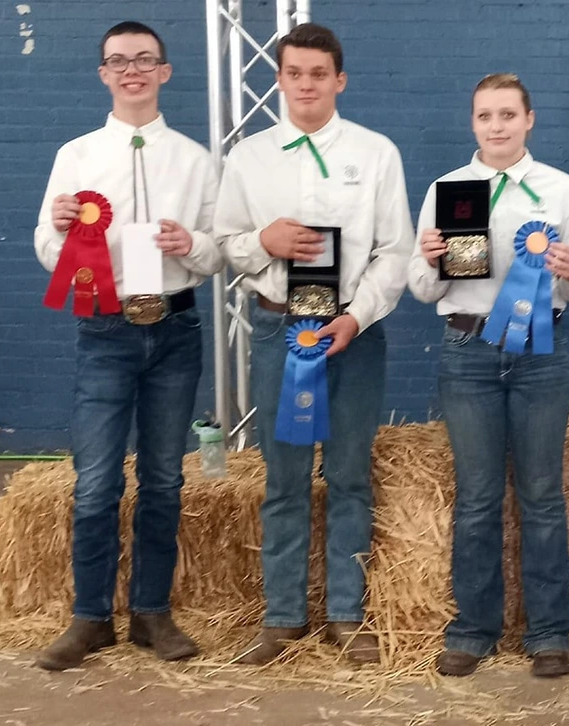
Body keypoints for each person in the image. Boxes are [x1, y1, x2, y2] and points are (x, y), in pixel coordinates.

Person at [213, 22, 413, 665]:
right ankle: (282, 618)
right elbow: (224, 245)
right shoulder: (248, 157)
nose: (306, 85)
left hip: (353, 334)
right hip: (279, 329)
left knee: (351, 476)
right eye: (294, 73)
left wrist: (356, 316)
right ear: (279, 80)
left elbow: (396, 251)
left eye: (318, 74)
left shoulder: (377, 152)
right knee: (285, 479)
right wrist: (260, 242)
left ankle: (347, 615)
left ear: (339, 81)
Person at [34, 21, 222, 670]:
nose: (132, 70)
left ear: (165, 72)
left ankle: (150, 613)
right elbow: (46, 249)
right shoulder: (77, 156)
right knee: (94, 483)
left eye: (144, 59)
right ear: (104, 75)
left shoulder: (196, 160)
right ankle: (90, 618)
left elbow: (217, 250)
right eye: (119, 61)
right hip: (104, 331)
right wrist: (60, 229)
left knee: (165, 479)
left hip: (175, 328)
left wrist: (188, 246)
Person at [408, 73, 569, 679]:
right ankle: (472, 630)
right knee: (478, 497)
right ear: (473, 124)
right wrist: (432, 261)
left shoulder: (560, 188)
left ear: (529, 119)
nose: (497, 126)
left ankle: (548, 634)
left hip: (541, 354)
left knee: (542, 495)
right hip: (467, 350)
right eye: (486, 116)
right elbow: (420, 287)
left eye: (508, 115)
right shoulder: (448, 188)